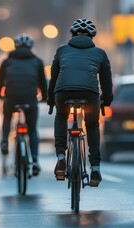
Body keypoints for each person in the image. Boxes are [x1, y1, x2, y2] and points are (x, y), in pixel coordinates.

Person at [47, 18, 113, 187]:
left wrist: (50, 100)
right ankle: (96, 168)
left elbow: (54, 78)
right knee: (92, 125)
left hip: (63, 92)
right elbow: (106, 81)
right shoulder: (100, 53)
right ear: (92, 36)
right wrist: (107, 99)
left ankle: (61, 158)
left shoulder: (61, 51)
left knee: (61, 116)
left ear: (72, 34)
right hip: (89, 93)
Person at [0, 33, 47, 176]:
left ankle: (5, 141)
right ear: (31, 47)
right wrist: (45, 98)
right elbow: (42, 82)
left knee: (7, 117)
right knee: (32, 130)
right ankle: (35, 160)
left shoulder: (7, 62)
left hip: (11, 98)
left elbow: (0, 81)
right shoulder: (37, 62)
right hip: (30, 99)